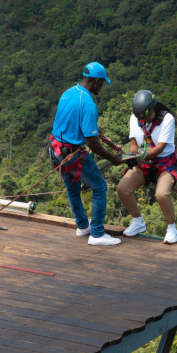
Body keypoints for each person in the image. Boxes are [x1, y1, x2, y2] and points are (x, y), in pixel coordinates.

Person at [50, 62, 123, 246]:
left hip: (56, 150)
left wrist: (101, 138)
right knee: (99, 187)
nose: (102, 86)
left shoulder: (68, 92)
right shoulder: (88, 103)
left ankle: (83, 226)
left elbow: (72, 123)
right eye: (102, 83)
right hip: (72, 154)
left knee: (72, 188)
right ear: (97, 81)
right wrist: (111, 157)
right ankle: (97, 233)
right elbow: (91, 142)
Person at [116, 90, 177, 244]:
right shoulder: (135, 118)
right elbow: (134, 144)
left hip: (164, 164)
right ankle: (138, 221)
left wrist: (138, 157)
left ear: (154, 109)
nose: (144, 120)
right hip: (144, 164)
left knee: (161, 194)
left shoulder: (167, 119)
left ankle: (172, 227)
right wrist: (131, 157)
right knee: (122, 189)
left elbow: (159, 148)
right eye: (142, 118)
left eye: (147, 116)